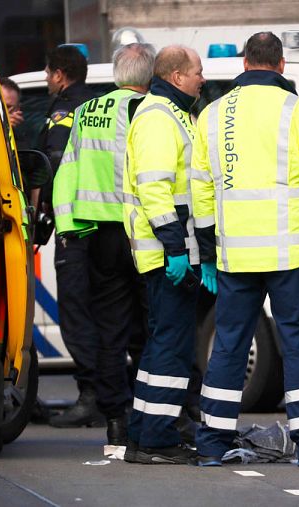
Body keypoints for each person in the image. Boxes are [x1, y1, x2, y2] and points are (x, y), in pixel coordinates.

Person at [191, 32, 299, 468]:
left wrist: (206, 252)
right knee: (298, 345)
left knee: (228, 346)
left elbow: (200, 192)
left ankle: (212, 443)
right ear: (281, 66)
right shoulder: (297, 112)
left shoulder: (211, 115)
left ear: (244, 63)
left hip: (234, 256)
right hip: (288, 254)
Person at [52, 43, 156, 446]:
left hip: (99, 235)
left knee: (110, 331)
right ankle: (153, 414)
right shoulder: (148, 111)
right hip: (142, 232)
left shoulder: (85, 112)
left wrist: (70, 226)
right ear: (148, 77)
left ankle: (116, 417)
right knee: (151, 329)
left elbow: (67, 171)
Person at [122, 45, 207, 465]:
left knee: (162, 347)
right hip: (168, 253)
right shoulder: (158, 117)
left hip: (173, 252)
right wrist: (175, 247)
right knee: (170, 348)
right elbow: (155, 189)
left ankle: (143, 435)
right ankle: (155, 439)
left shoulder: (174, 114)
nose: (202, 79)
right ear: (176, 76)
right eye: (197, 72)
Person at [37, 45, 103, 429]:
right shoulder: (96, 106)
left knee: (78, 314)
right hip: (105, 225)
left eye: (48, 73)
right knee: (108, 314)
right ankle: (111, 395)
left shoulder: (64, 111)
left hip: (75, 228)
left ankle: (91, 396)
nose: (47, 80)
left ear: (60, 74)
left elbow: (56, 163)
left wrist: (42, 206)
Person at [0, 77, 26, 147]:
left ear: (18, 109)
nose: (4, 111)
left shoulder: (20, 136)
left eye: (8, 107)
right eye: (0, 105)